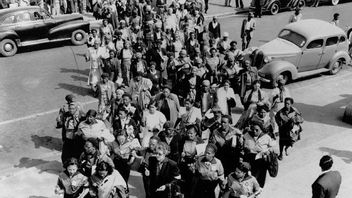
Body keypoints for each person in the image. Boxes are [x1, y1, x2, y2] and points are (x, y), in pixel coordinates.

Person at [243, 121, 276, 187]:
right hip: (249, 158)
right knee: (249, 177)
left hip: (261, 160)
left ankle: (259, 189)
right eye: (253, 129)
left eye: (257, 130)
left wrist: (268, 151)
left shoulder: (266, 137)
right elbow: (242, 146)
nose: (254, 131)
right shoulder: (246, 135)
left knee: (261, 177)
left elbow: (273, 147)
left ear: (261, 129)